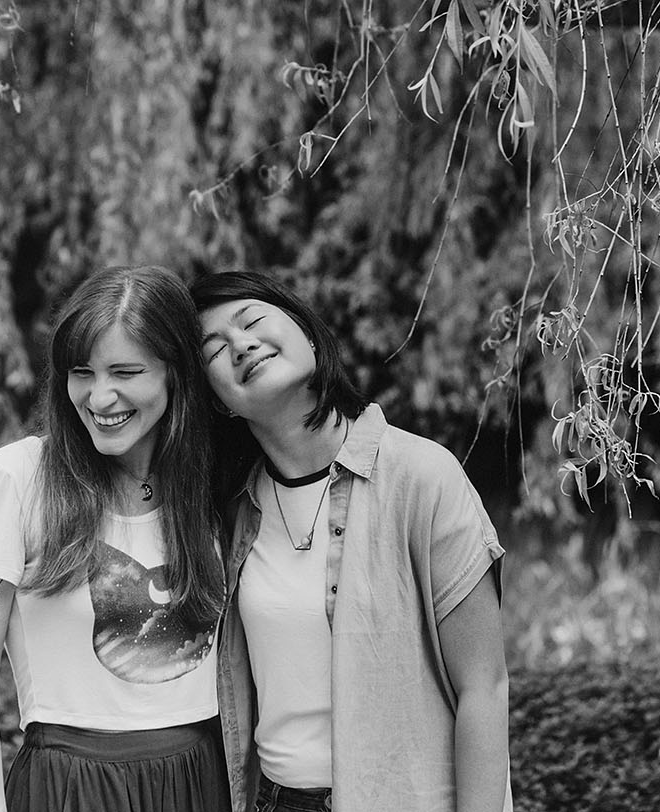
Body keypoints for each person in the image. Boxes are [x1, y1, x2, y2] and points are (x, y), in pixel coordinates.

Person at [193, 271, 512, 812]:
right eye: (215, 349)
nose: (241, 344)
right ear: (220, 401)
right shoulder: (234, 513)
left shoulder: (421, 476)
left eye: (251, 321)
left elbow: (485, 690)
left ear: (310, 336)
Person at [0, 266, 228, 812]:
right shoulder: (15, 479)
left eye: (125, 371)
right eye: (81, 372)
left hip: (203, 778)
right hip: (70, 784)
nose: (100, 397)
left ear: (176, 374)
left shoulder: (214, 485)